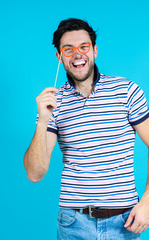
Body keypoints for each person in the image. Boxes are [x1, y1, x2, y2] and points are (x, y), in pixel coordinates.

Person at [24, 18, 149, 239]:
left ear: (95, 50)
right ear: (59, 57)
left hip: (125, 222)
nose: (77, 54)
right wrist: (43, 121)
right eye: (68, 49)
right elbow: (35, 173)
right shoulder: (54, 102)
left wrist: (148, 202)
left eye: (84, 47)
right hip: (74, 224)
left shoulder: (127, 91)